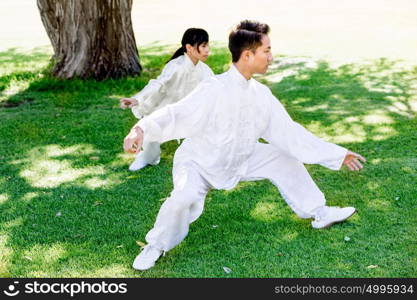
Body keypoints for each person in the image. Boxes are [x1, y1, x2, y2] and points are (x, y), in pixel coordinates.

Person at [123, 20, 366, 271]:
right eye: (267, 51)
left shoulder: (261, 95)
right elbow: (177, 114)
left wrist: (337, 154)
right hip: (199, 162)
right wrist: (141, 129)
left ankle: (319, 212)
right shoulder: (214, 88)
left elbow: (290, 134)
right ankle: (156, 245)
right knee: (181, 199)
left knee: (283, 158)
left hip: (242, 157)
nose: (271, 57)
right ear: (247, 55)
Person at [120, 28, 214, 171]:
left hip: (187, 109)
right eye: (203, 46)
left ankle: (202, 157)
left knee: (205, 126)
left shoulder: (204, 70)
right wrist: (137, 99)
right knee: (153, 131)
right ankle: (146, 158)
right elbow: (158, 83)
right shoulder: (176, 66)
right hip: (166, 106)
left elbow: (212, 88)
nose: (207, 50)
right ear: (189, 48)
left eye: (207, 45)